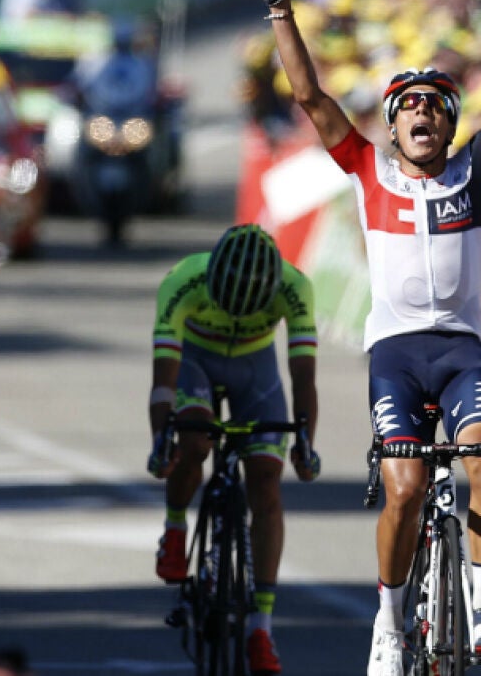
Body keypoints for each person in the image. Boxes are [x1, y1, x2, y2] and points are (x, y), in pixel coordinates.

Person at [254, 0, 481, 675]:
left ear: (450, 126)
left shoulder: (475, 170)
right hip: (396, 354)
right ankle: (389, 623)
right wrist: (281, 8)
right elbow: (309, 97)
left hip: (459, 350)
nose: (423, 112)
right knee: (407, 484)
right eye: (409, 105)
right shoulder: (366, 170)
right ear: (392, 126)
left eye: (436, 105)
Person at [148, 224, 319, 676]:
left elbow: (303, 375)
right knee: (194, 438)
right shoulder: (183, 280)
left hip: (255, 368)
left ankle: (260, 628)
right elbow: (163, 382)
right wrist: (160, 440)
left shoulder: (295, 286)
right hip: (194, 361)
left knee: (266, 481)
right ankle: (175, 527)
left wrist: (305, 440)